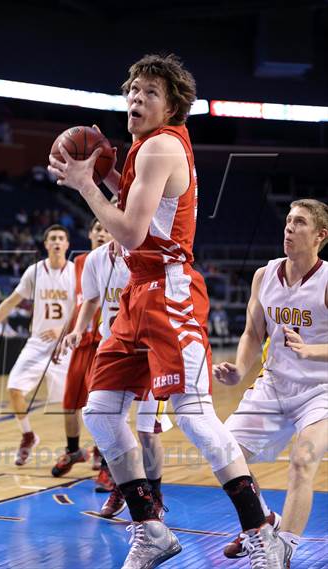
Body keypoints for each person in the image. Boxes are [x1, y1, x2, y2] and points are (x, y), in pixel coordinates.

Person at [49, 53, 283, 569]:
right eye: (132, 89)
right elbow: (141, 216)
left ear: (173, 105)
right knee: (102, 411)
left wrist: (86, 181)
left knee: (194, 416)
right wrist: (107, 179)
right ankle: (149, 527)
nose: (136, 98)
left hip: (170, 291)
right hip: (138, 291)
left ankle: (263, 529)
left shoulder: (157, 147)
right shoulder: (144, 149)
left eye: (150, 92)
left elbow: (130, 232)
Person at [214, 199, 328, 567]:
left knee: (301, 461)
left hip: (320, 390)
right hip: (274, 385)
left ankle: (285, 550)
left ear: (320, 236)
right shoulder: (265, 275)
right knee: (225, 455)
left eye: (299, 223)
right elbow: (252, 332)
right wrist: (240, 369)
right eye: (288, 221)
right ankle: (262, 523)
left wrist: (312, 352)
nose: (288, 228)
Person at [61, 237, 173, 519]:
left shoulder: (146, 253)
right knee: (108, 423)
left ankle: (155, 494)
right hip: (114, 350)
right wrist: (78, 330)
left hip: (150, 350)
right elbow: (90, 300)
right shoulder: (94, 259)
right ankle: (124, 487)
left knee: (148, 431)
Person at [0, 225, 76, 466]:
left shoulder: (77, 272)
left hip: (65, 343)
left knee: (75, 402)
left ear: (67, 244)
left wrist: (63, 328)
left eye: (61, 238)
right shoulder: (34, 272)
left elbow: (87, 308)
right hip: (37, 342)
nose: (57, 242)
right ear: (46, 244)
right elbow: (10, 302)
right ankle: (28, 435)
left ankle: (89, 449)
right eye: (52, 238)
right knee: (14, 388)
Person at [51, 219, 111, 478]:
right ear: (89, 233)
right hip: (82, 342)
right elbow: (79, 304)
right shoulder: (80, 263)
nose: (101, 233)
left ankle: (108, 460)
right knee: (70, 402)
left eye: (107, 228)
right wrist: (65, 334)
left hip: (107, 343)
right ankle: (74, 450)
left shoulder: (118, 258)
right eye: (97, 228)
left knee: (101, 405)